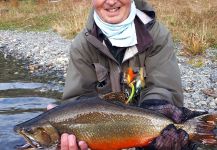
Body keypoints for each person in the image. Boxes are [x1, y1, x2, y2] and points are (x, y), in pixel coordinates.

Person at [48, 0, 202, 149]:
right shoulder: (81, 46)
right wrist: (61, 119)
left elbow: (164, 86)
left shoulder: (157, 36)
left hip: (147, 128)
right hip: (100, 137)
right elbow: (78, 99)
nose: (111, 2)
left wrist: (158, 109)